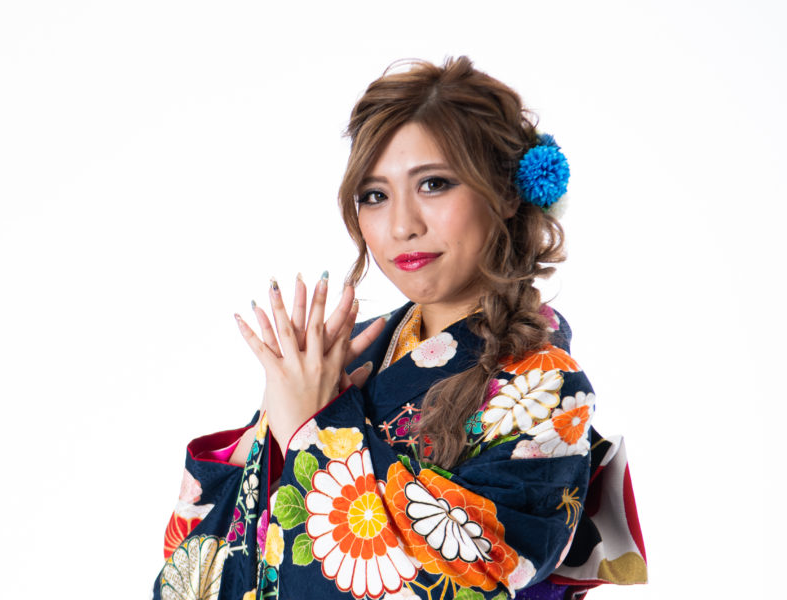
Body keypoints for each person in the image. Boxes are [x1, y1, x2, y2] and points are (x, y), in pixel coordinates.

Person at [154, 56, 647, 600]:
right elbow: (200, 567)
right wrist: (270, 432)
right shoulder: (354, 354)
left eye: (433, 184)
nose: (401, 225)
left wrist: (310, 434)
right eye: (375, 195)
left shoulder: (546, 388)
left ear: (509, 194)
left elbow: (460, 584)